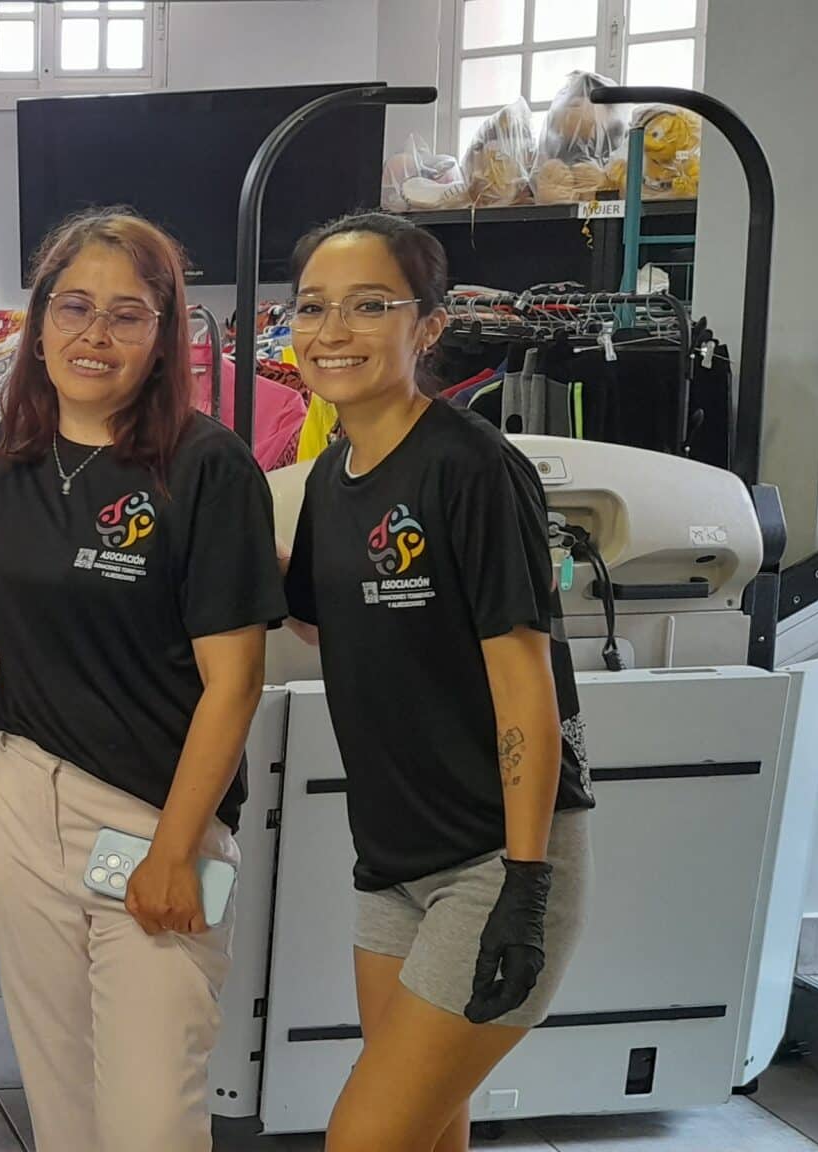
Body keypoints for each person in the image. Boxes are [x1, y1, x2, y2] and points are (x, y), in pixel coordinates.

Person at [278, 213, 594, 1152]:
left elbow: (525, 681)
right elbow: (327, 616)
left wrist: (526, 883)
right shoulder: (331, 476)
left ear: (428, 325)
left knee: (364, 1139)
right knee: (424, 1131)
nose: (333, 331)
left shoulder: (472, 465)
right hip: (393, 863)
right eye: (313, 307)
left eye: (369, 305)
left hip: (493, 860)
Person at [0, 209, 283, 1152]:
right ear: (38, 322)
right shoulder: (4, 462)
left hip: (156, 818)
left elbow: (235, 685)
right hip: (24, 801)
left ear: (164, 335)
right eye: (73, 307)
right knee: (62, 1110)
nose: (95, 335)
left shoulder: (207, 468)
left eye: (127, 315)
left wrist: (175, 852)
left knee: (151, 1122)